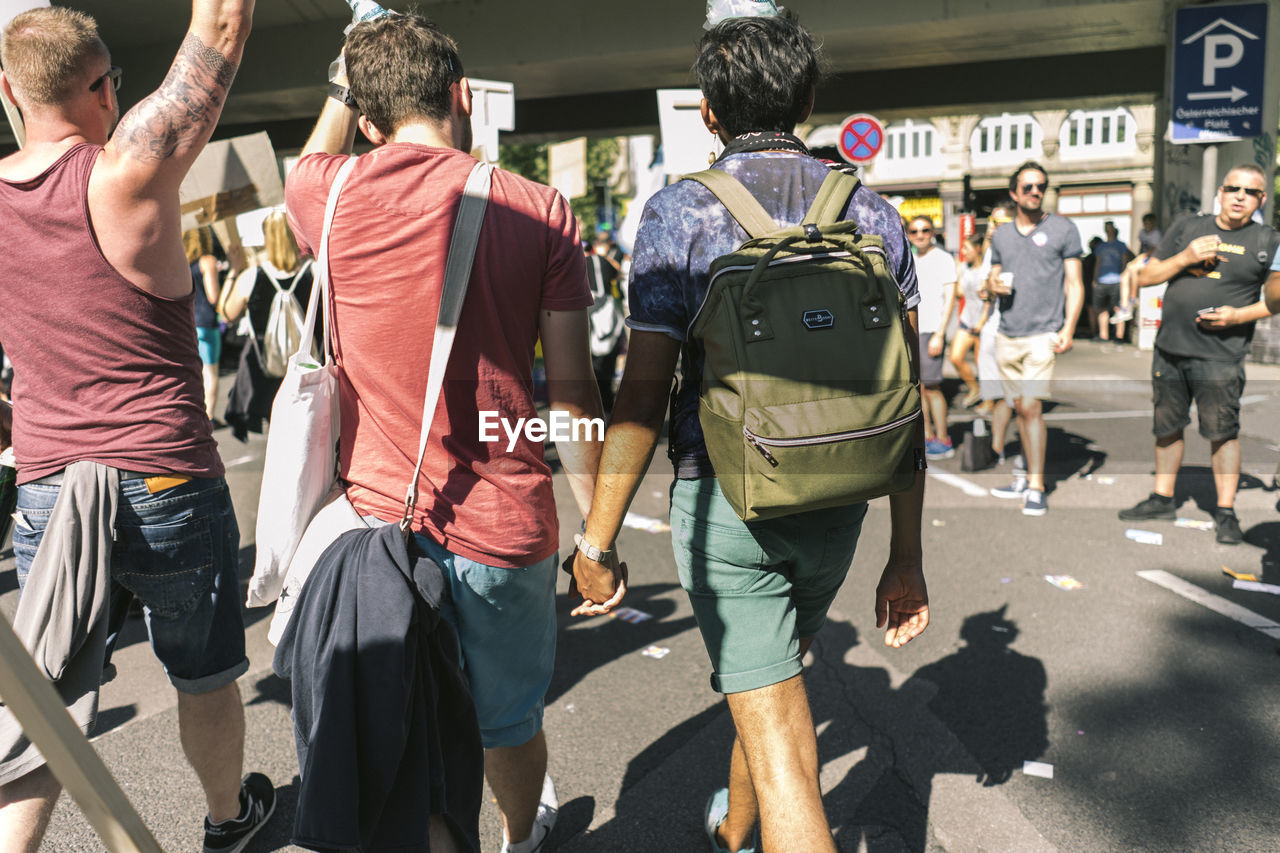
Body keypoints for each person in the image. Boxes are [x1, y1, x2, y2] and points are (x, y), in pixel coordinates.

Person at [573, 13, 929, 853]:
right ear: (808, 99)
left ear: (707, 112)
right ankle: (734, 830)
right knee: (772, 684)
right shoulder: (873, 214)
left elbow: (644, 393)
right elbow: (906, 394)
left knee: (782, 758)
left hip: (730, 503)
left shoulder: (680, 214)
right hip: (839, 500)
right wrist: (906, 554)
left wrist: (597, 538)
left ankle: (762, 822)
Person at [284, 14, 609, 853]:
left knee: (406, 718)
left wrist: (343, 85)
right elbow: (571, 392)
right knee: (505, 718)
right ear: (463, 96)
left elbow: (308, 160)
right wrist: (600, 533)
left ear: (363, 118)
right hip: (505, 526)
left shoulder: (330, 195)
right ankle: (517, 835)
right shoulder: (539, 210)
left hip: (382, 527)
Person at [0, 4, 274, 852]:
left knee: (47, 702)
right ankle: (228, 819)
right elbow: (222, 25)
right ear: (107, 87)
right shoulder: (123, 169)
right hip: (163, 476)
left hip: (49, 482)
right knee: (203, 676)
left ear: (7, 91)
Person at [1118, 165, 1280, 545]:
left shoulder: (1267, 239)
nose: (1240, 196)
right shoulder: (1189, 227)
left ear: (1261, 199)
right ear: (1221, 192)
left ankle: (1225, 512)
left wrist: (1239, 315)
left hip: (1221, 356)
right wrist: (1186, 257)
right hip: (1170, 348)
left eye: (1250, 192)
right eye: (1233, 188)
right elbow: (1145, 276)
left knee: (1222, 432)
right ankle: (1162, 498)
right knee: (1167, 427)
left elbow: (1275, 301)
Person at [984, 161, 1084, 516]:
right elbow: (992, 280)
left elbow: (1075, 283)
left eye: (1040, 186)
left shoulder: (1063, 229)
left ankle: (1037, 485)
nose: (1035, 192)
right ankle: (1025, 475)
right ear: (1014, 194)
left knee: (1030, 407)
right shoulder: (1002, 235)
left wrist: (1069, 327)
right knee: (1018, 409)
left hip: (1044, 333)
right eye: (1027, 187)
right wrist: (990, 286)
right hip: (1007, 332)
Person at [220, 211, 316, 440]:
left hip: (269, 374)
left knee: (283, 438)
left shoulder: (251, 277)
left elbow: (226, 314)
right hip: (311, 371)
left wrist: (234, 270)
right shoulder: (314, 270)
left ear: (266, 239)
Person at [908, 215, 959, 459]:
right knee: (918, 388)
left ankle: (943, 437)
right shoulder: (909, 259)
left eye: (925, 230)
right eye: (914, 231)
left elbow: (950, 299)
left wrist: (940, 333)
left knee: (933, 387)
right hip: (911, 330)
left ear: (933, 232)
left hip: (931, 331)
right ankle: (926, 436)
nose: (920, 235)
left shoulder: (944, 258)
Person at [185, 227, 224, 423]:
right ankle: (209, 416)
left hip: (187, 322)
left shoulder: (181, 262)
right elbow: (213, 296)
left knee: (195, 371)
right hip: (206, 321)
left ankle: (196, 411)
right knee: (211, 371)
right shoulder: (206, 261)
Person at [584, 234, 625, 411]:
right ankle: (607, 404)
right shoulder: (607, 261)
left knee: (592, 361)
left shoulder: (581, 264)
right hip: (608, 308)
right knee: (611, 352)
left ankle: (596, 404)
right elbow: (618, 275)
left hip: (589, 309)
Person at [950, 232, 990, 409]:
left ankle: (989, 402)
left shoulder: (987, 270)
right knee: (955, 357)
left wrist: (981, 323)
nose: (963, 251)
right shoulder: (964, 267)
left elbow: (989, 299)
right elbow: (959, 293)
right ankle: (974, 388)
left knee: (983, 365)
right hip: (967, 320)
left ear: (978, 249)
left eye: (966, 248)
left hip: (983, 323)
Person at [1090, 220, 1132, 342]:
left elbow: (1125, 263)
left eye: (1110, 228)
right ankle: (1104, 335)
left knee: (1118, 308)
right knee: (1101, 308)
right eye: (1106, 228)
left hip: (1117, 280)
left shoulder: (1121, 246)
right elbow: (1097, 263)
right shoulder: (1101, 247)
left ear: (1114, 229)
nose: (1109, 230)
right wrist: (1094, 278)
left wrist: (1124, 279)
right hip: (1102, 280)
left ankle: (1119, 336)